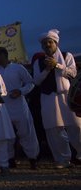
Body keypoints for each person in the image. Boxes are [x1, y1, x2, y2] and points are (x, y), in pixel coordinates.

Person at [32, 29, 81, 168]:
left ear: (56, 44)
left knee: (77, 126)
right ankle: (62, 160)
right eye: (45, 43)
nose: (47, 45)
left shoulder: (67, 56)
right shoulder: (39, 62)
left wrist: (57, 66)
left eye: (50, 42)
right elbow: (36, 81)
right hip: (49, 97)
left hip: (67, 96)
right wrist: (47, 69)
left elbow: (72, 73)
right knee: (54, 130)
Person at [0, 47, 39, 170]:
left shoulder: (18, 68)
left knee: (27, 132)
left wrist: (20, 91)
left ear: (3, 55)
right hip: (3, 107)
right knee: (7, 135)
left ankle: (33, 159)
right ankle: (10, 160)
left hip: (19, 106)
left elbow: (30, 83)